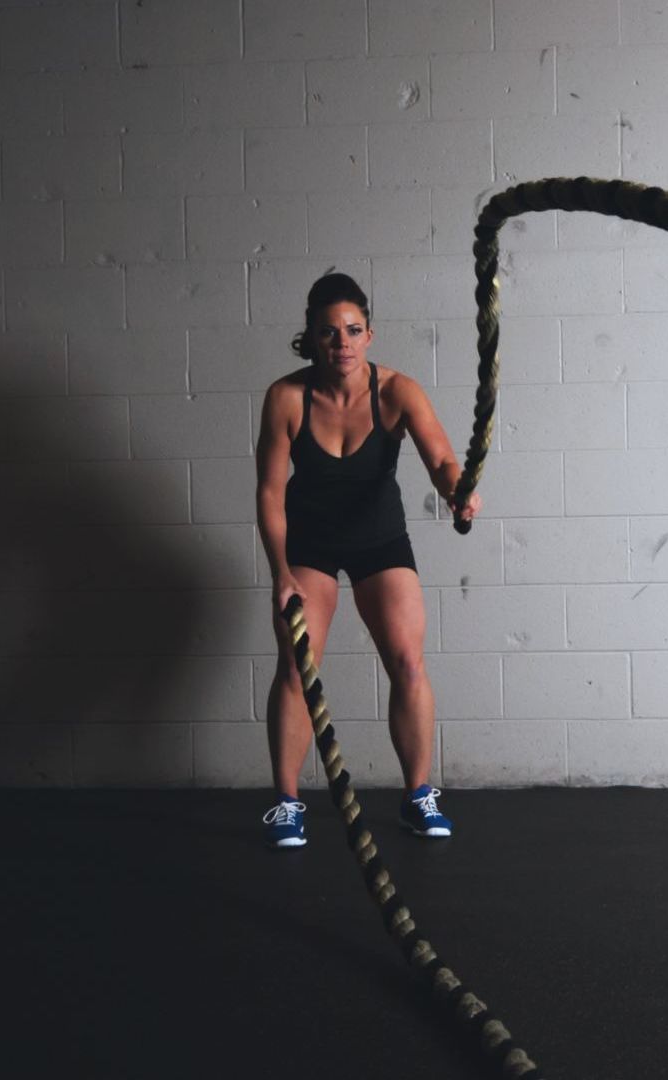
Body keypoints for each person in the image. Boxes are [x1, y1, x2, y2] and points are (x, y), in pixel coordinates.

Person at [255, 272, 481, 849]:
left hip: (380, 541)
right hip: (310, 544)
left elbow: (441, 461)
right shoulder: (286, 397)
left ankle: (418, 795)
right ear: (312, 335)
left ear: (370, 335)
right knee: (296, 667)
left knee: (408, 661)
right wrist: (281, 574)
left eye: (353, 330)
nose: (343, 343)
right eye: (330, 332)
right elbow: (271, 493)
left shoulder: (397, 391)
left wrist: (459, 488)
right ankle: (286, 802)